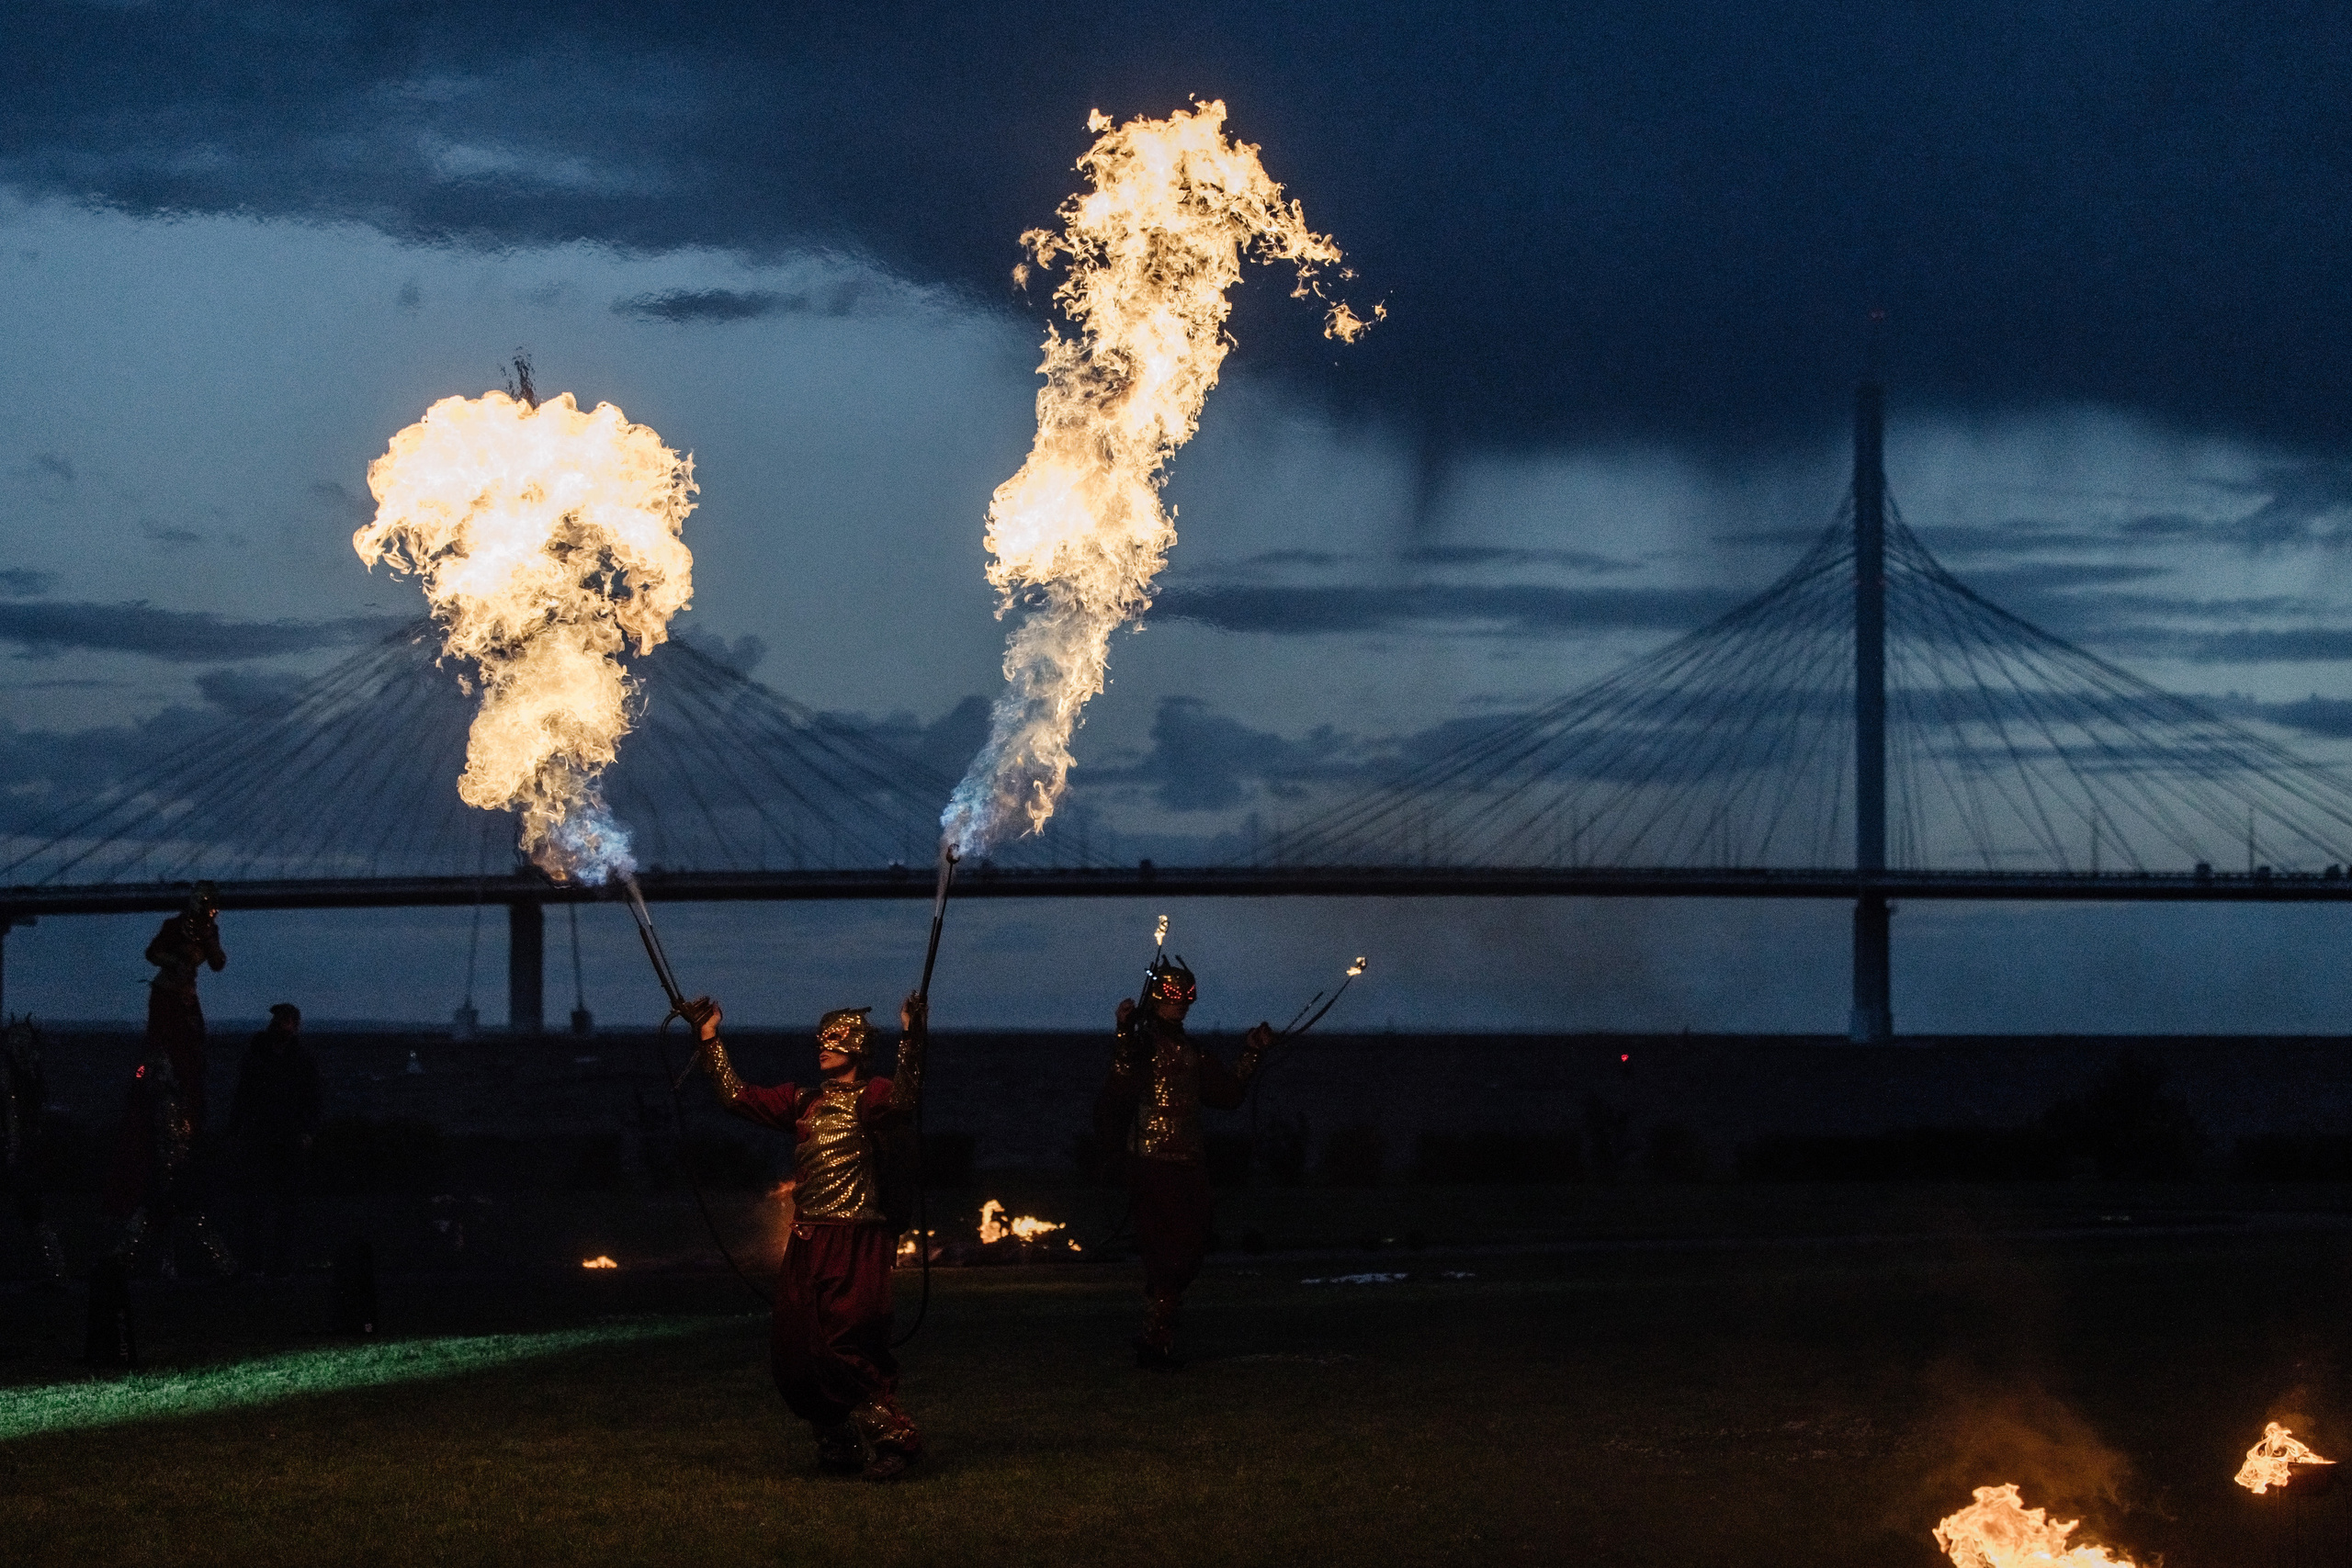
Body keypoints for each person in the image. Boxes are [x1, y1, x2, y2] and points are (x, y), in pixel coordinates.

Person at [684, 991, 927, 1481]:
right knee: (796, 1348)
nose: (823, 1046)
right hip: (807, 1239)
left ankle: (894, 1441)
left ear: (856, 1047)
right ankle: (836, 1443)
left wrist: (913, 1035)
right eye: (821, 1039)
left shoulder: (875, 1096)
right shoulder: (805, 1101)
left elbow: (905, 1097)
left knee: (846, 1342)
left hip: (856, 1238)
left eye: (834, 1040)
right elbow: (737, 1097)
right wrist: (708, 1036)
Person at [1097, 955, 1273, 1370]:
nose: (1181, 1005)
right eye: (1173, 998)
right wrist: (1124, 1031)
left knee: (1190, 1248)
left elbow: (1228, 1095)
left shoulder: (1196, 1054)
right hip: (1151, 1162)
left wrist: (1252, 1053)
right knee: (1162, 1250)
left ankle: (1160, 1328)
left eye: (1185, 999)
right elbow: (1122, 1077)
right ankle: (1157, 1334)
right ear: (1156, 1001)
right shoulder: (1141, 1048)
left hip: (1189, 1162)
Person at [101, 1043, 237, 1279]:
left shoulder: (168, 1097)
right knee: (158, 1216)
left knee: (178, 1217)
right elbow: (139, 1080)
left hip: (172, 1167)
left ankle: (220, 1264)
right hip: (164, 1166)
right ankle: (213, 1264)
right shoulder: (157, 1095)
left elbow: (179, 1131)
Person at [228, 1003, 320, 1278]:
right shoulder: (258, 1055)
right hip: (261, 1136)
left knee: (286, 1204)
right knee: (256, 1202)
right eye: (281, 1020)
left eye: (288, 1020)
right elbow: (243, 1094)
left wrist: (307, 1131)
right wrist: (236, 1130)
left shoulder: (301, 1057)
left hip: (287, 1137)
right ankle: (255, 1263)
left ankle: (281, 1264)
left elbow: (312, 1097)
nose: (283, 1025)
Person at [144, 882, 225, 1134]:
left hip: (187, 994)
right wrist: (177, 960)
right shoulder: (173, 926)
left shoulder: (210, 931)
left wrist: (210, 940)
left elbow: (218, 963)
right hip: (166, 993)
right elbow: (152, 953)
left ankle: (191, 1106)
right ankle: (146, 1078)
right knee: (158, 1042)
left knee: (193, 1043)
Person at [3, 1016, 67, 1286]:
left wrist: (15, 1146)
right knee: (29, 1212)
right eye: (14, 1040)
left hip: (23, 1150)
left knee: (31, 1211)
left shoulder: (27, 1073)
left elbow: (19, 1113)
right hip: (19, 1147)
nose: (18, 1045)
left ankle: (55, 1270)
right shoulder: (17, 1072)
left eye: (22, 1040)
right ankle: (53, 1269)